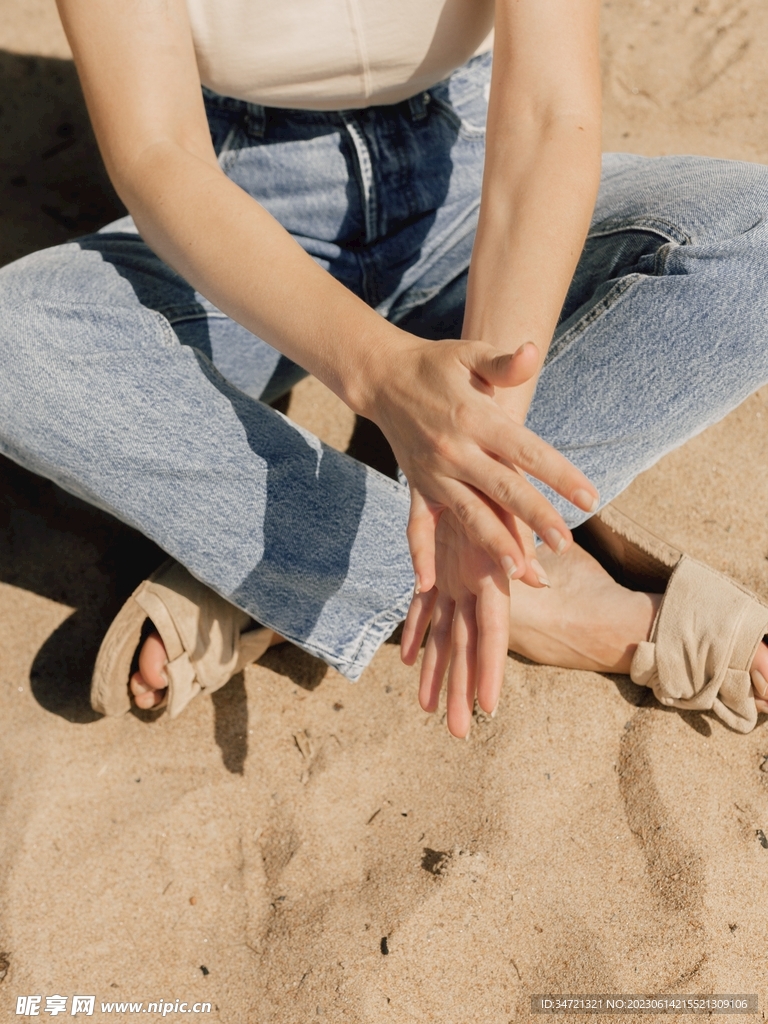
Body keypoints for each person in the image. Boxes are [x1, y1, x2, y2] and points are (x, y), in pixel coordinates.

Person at [2, 0, 768, 737]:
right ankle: (525, 590)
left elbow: (543, 116)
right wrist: (380, 373)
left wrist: (477, 457)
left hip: (469, 179)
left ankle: (280, 555)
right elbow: (158, 152)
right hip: (239, 221)